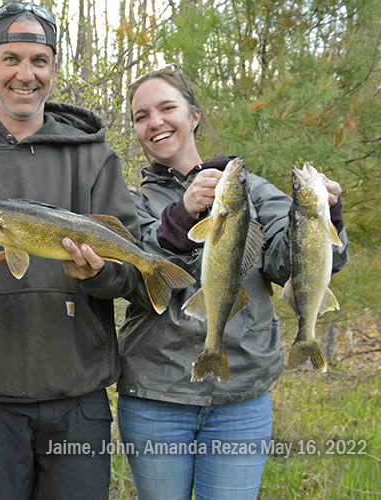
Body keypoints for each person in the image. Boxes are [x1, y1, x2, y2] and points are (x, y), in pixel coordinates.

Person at [0, 3, 142, 498]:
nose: (25, 73)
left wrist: (100, 275)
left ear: (53, 69)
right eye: (11, 58)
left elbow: (131, 272)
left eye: (39, 60)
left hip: (78, 405)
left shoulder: (96, 160)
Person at [116, 64, 349, 499]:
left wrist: (322, 217)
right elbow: (131, 277)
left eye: (167, 108)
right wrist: (181, 215)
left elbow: (288, 264)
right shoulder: (132, 201)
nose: (155, 122)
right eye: (141, 116)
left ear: (194, 116)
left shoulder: (251, 190)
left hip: (240, 397)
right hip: (155, 397)